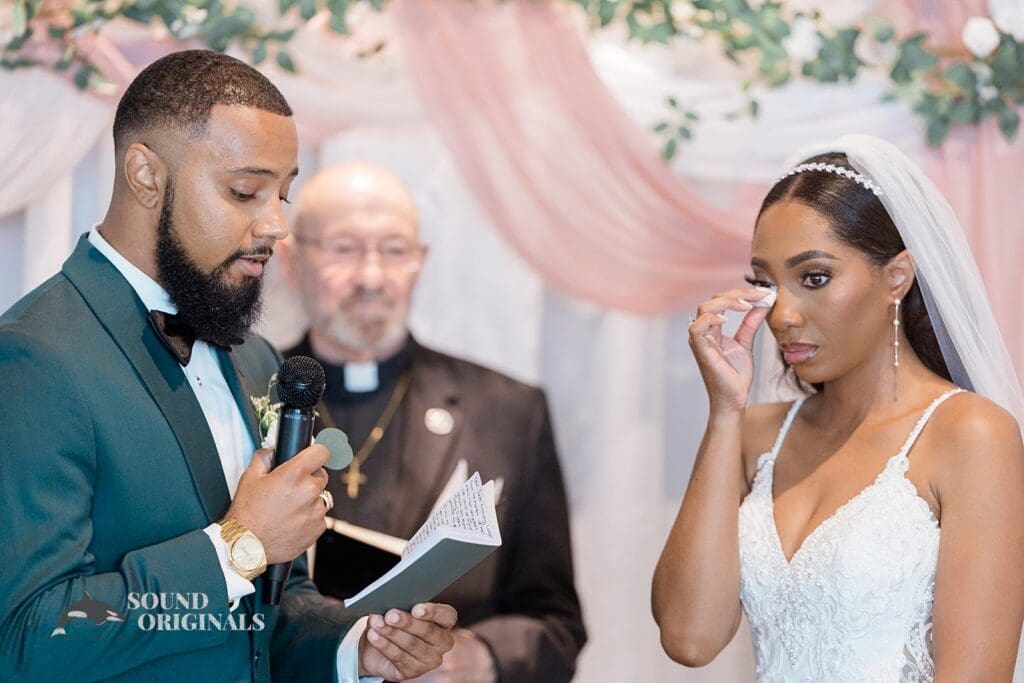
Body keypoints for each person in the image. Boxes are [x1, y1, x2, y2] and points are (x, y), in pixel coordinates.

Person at [0, 50, 458, 683]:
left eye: (282, 194)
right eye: (245, 192)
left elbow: (271, 608)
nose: (276, 225)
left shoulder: (255, 356)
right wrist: (236, 548)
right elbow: (31, 636)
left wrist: (354, 648)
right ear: (145, 175)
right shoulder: (32, 359)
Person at [652, 134, 1024, 681]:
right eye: (765, 283)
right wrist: (725, 412)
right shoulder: (755, 435)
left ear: (896, 277)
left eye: (814, 278)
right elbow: (689, 638)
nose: (782, 315)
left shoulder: (970, 433)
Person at [277, 162, 587, 682]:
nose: (371, 277)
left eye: (395, 250)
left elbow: (556, 624)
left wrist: (479, 656)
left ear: (420, 262)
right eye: (344, 249)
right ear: (291, 260)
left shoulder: (508, 410)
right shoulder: (247, 392)